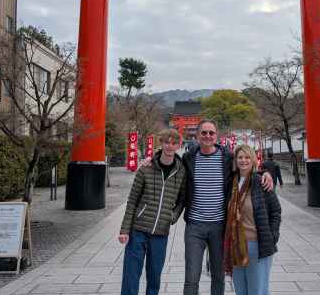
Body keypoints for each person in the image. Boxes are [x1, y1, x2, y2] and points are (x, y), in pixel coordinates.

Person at [182, 119, 274, 295]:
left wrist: (266, 173)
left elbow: (245, 165)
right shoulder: (189, 157)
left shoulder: (227, 157)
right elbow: (170, 164)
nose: (208, 136)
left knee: (218, 275)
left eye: (211, 133)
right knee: (191, 276)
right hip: (194, 225)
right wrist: (151, 159)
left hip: (220, 226)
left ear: (217, 136)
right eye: (204, 132)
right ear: (197, 135)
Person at [118, 129, 186, 295]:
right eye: (166, 142)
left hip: (161, 233)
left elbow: (183, 200)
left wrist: (173, 216)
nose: (169, 146)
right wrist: (124, 230)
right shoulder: (145, 169)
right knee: (131, 274)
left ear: (178, 145)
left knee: (154, 276)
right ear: (161, 143)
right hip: (138, 230)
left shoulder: (181, 172)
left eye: (174, 143)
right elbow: (132, 200)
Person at [224, 145, 281, 295]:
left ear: (253, 160)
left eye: (247, 157)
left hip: (257, 245)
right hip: (235, 245)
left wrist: (272, 235)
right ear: (235, 160)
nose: (243, 160)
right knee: (241, 290)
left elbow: (276, 211)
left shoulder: (261, 181)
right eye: (240, 157)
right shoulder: (231, 183)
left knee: (257, 290)